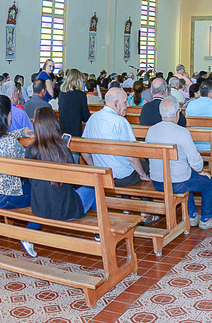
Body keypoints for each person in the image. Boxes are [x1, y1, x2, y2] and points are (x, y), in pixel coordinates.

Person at [147, 98, 212, 229]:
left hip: (157, 181)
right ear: (178, 113)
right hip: (178, 183)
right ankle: (206, 219)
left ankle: (192, 216)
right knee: (209, 182)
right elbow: (195, 161)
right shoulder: (182, 132)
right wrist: (200, 171)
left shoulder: (151, 130)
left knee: (188, 177)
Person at [26, 106, 97, 236]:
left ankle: (29, 232)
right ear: (55, 124)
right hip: (65, 210)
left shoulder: (30, 150)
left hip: (40, 207)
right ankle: (98, 229)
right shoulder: (62, 150)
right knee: (93, 188)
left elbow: (31, 180)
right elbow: (76, 180)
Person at [81, 87, 151, 187]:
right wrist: (143, 175)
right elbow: (131, 157)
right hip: (122, 178)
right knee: (150, 167)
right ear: (116, 103)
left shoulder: (93, 118)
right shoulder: (120, 122)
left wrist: (95, 168)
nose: (127, 105)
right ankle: (145, 200)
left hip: (103, 174)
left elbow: (84, 150)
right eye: (125, 102)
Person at [56, 69, 91, 139]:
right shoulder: (81, 95)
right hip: (75, 132)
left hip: (63, 131)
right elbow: (86, 117)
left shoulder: (62, 94)